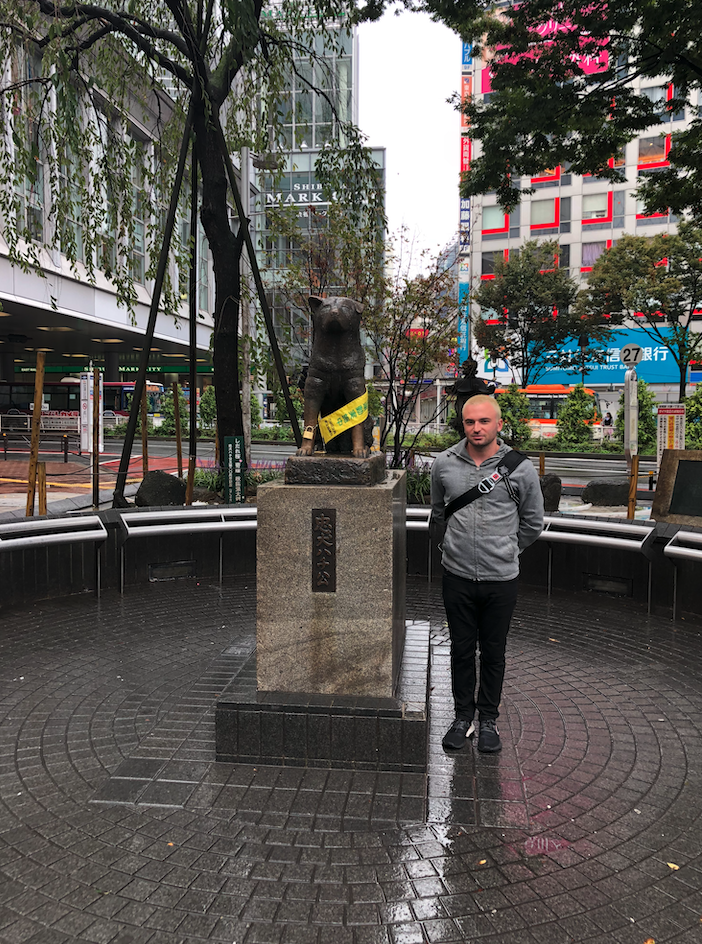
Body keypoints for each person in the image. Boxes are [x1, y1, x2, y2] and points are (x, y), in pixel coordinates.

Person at [430, 395, 544, 753]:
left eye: (483, 421)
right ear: (461, 424)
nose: (476, 428)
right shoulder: (444, 464)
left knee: (493, 652)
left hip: (501, 578)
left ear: (497, 424)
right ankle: (463, 717)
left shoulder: (520, 468)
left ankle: (488, 719)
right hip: (457, 576)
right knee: (461, 650)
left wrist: (508, 549)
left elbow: (533, 522)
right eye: (469, 422)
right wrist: (450, 547)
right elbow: (437, 514)